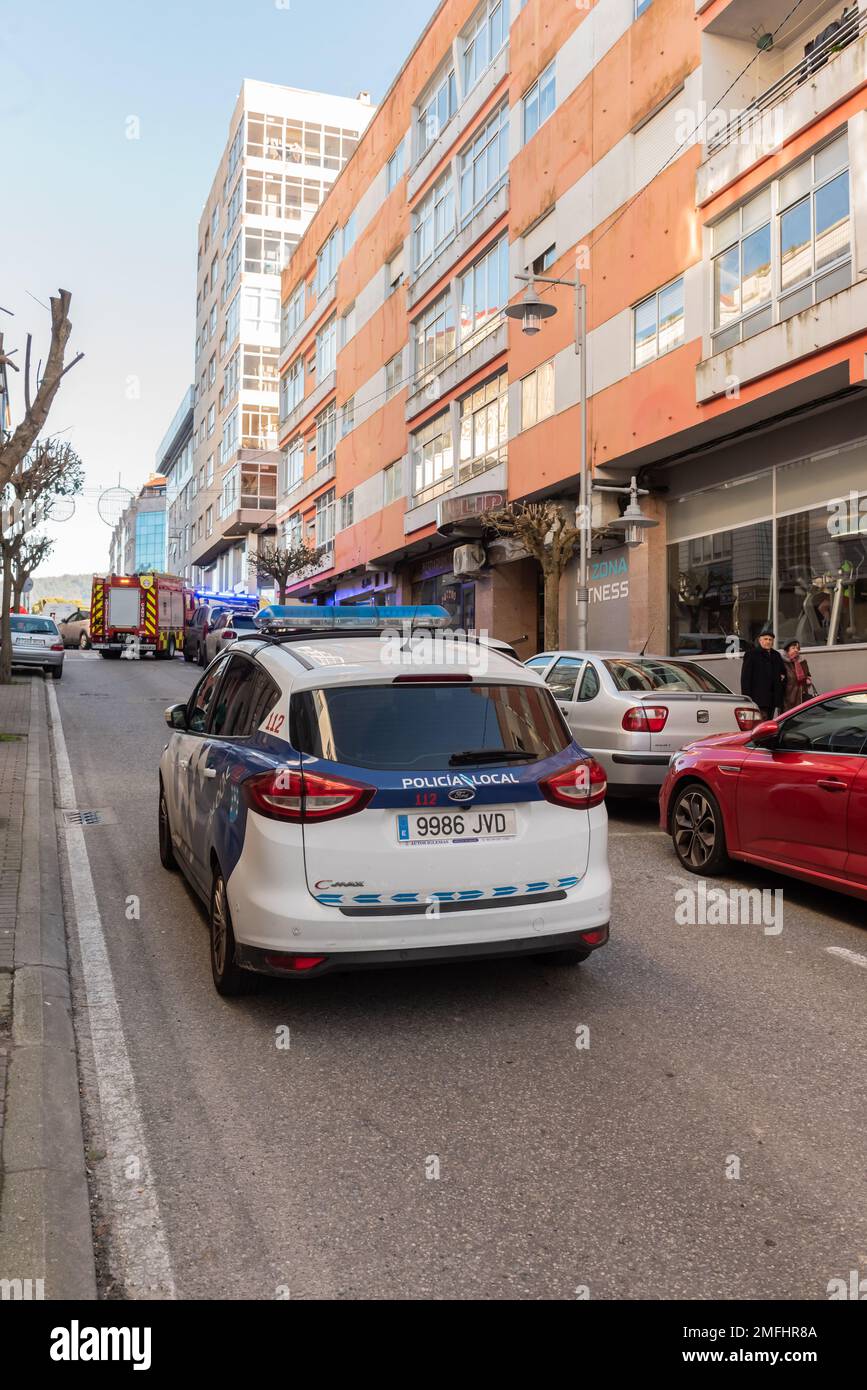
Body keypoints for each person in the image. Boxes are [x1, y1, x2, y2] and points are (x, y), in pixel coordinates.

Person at [741, 626, 787, 721]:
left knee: (769, 722)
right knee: (759, 724)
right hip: (757, 698)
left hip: (773, 698)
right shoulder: (751, 654)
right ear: (760, 640)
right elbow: (745, 678)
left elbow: (783, 672)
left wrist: (781, 679)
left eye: (770, 639)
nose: (768, 641)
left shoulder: (776, 655)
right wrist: (747, 698)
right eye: (765, 639)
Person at [782, 639, 816, 711]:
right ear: (787, 650)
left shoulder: (802, 661)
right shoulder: (782, 663)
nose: (796, 650)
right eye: (793, 648)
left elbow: (808, 674)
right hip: (788, 699)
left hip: (802, 696)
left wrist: (808, 679)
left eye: (797, 648)